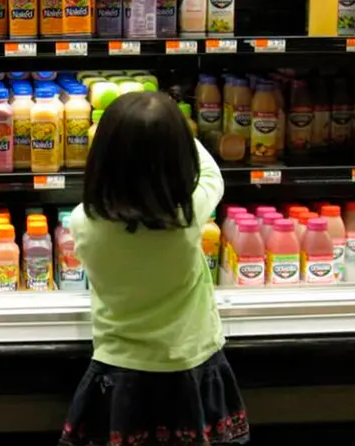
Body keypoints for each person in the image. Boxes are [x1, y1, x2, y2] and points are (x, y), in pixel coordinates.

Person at [60, 91, 248, 446]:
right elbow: (213, 177)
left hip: (117, 371)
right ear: (178, 157)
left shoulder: (83, 221)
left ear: (102, 157)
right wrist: (180, 134)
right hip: (191, 368)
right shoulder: (187, 216)